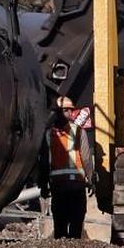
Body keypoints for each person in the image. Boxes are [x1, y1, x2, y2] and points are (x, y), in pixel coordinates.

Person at [38, 95, 95, 239]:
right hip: (76, 187)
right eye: (67, 110)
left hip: (59, 188)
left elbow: (43, 162)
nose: (70, 113)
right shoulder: (78, 131)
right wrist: (91, 179)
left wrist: (43, 186)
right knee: (76, 227)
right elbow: (86, 158)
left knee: (60, 227)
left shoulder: (48, 134)